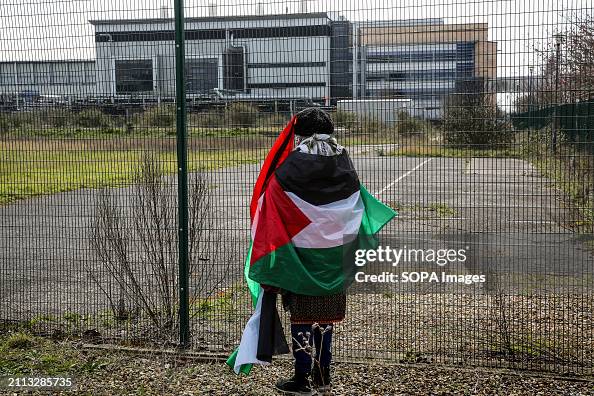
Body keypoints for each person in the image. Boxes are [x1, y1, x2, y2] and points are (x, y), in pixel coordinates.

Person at [274, 108, 350, 395]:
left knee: (303, 313)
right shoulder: (342, 158)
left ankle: (302, 378)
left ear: (299, 134)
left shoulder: (296, 160)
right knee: (326, 315)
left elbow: (277, 195)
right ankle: (322, 375)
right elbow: (353, 198)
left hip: (303, 251)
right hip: (334, 251)